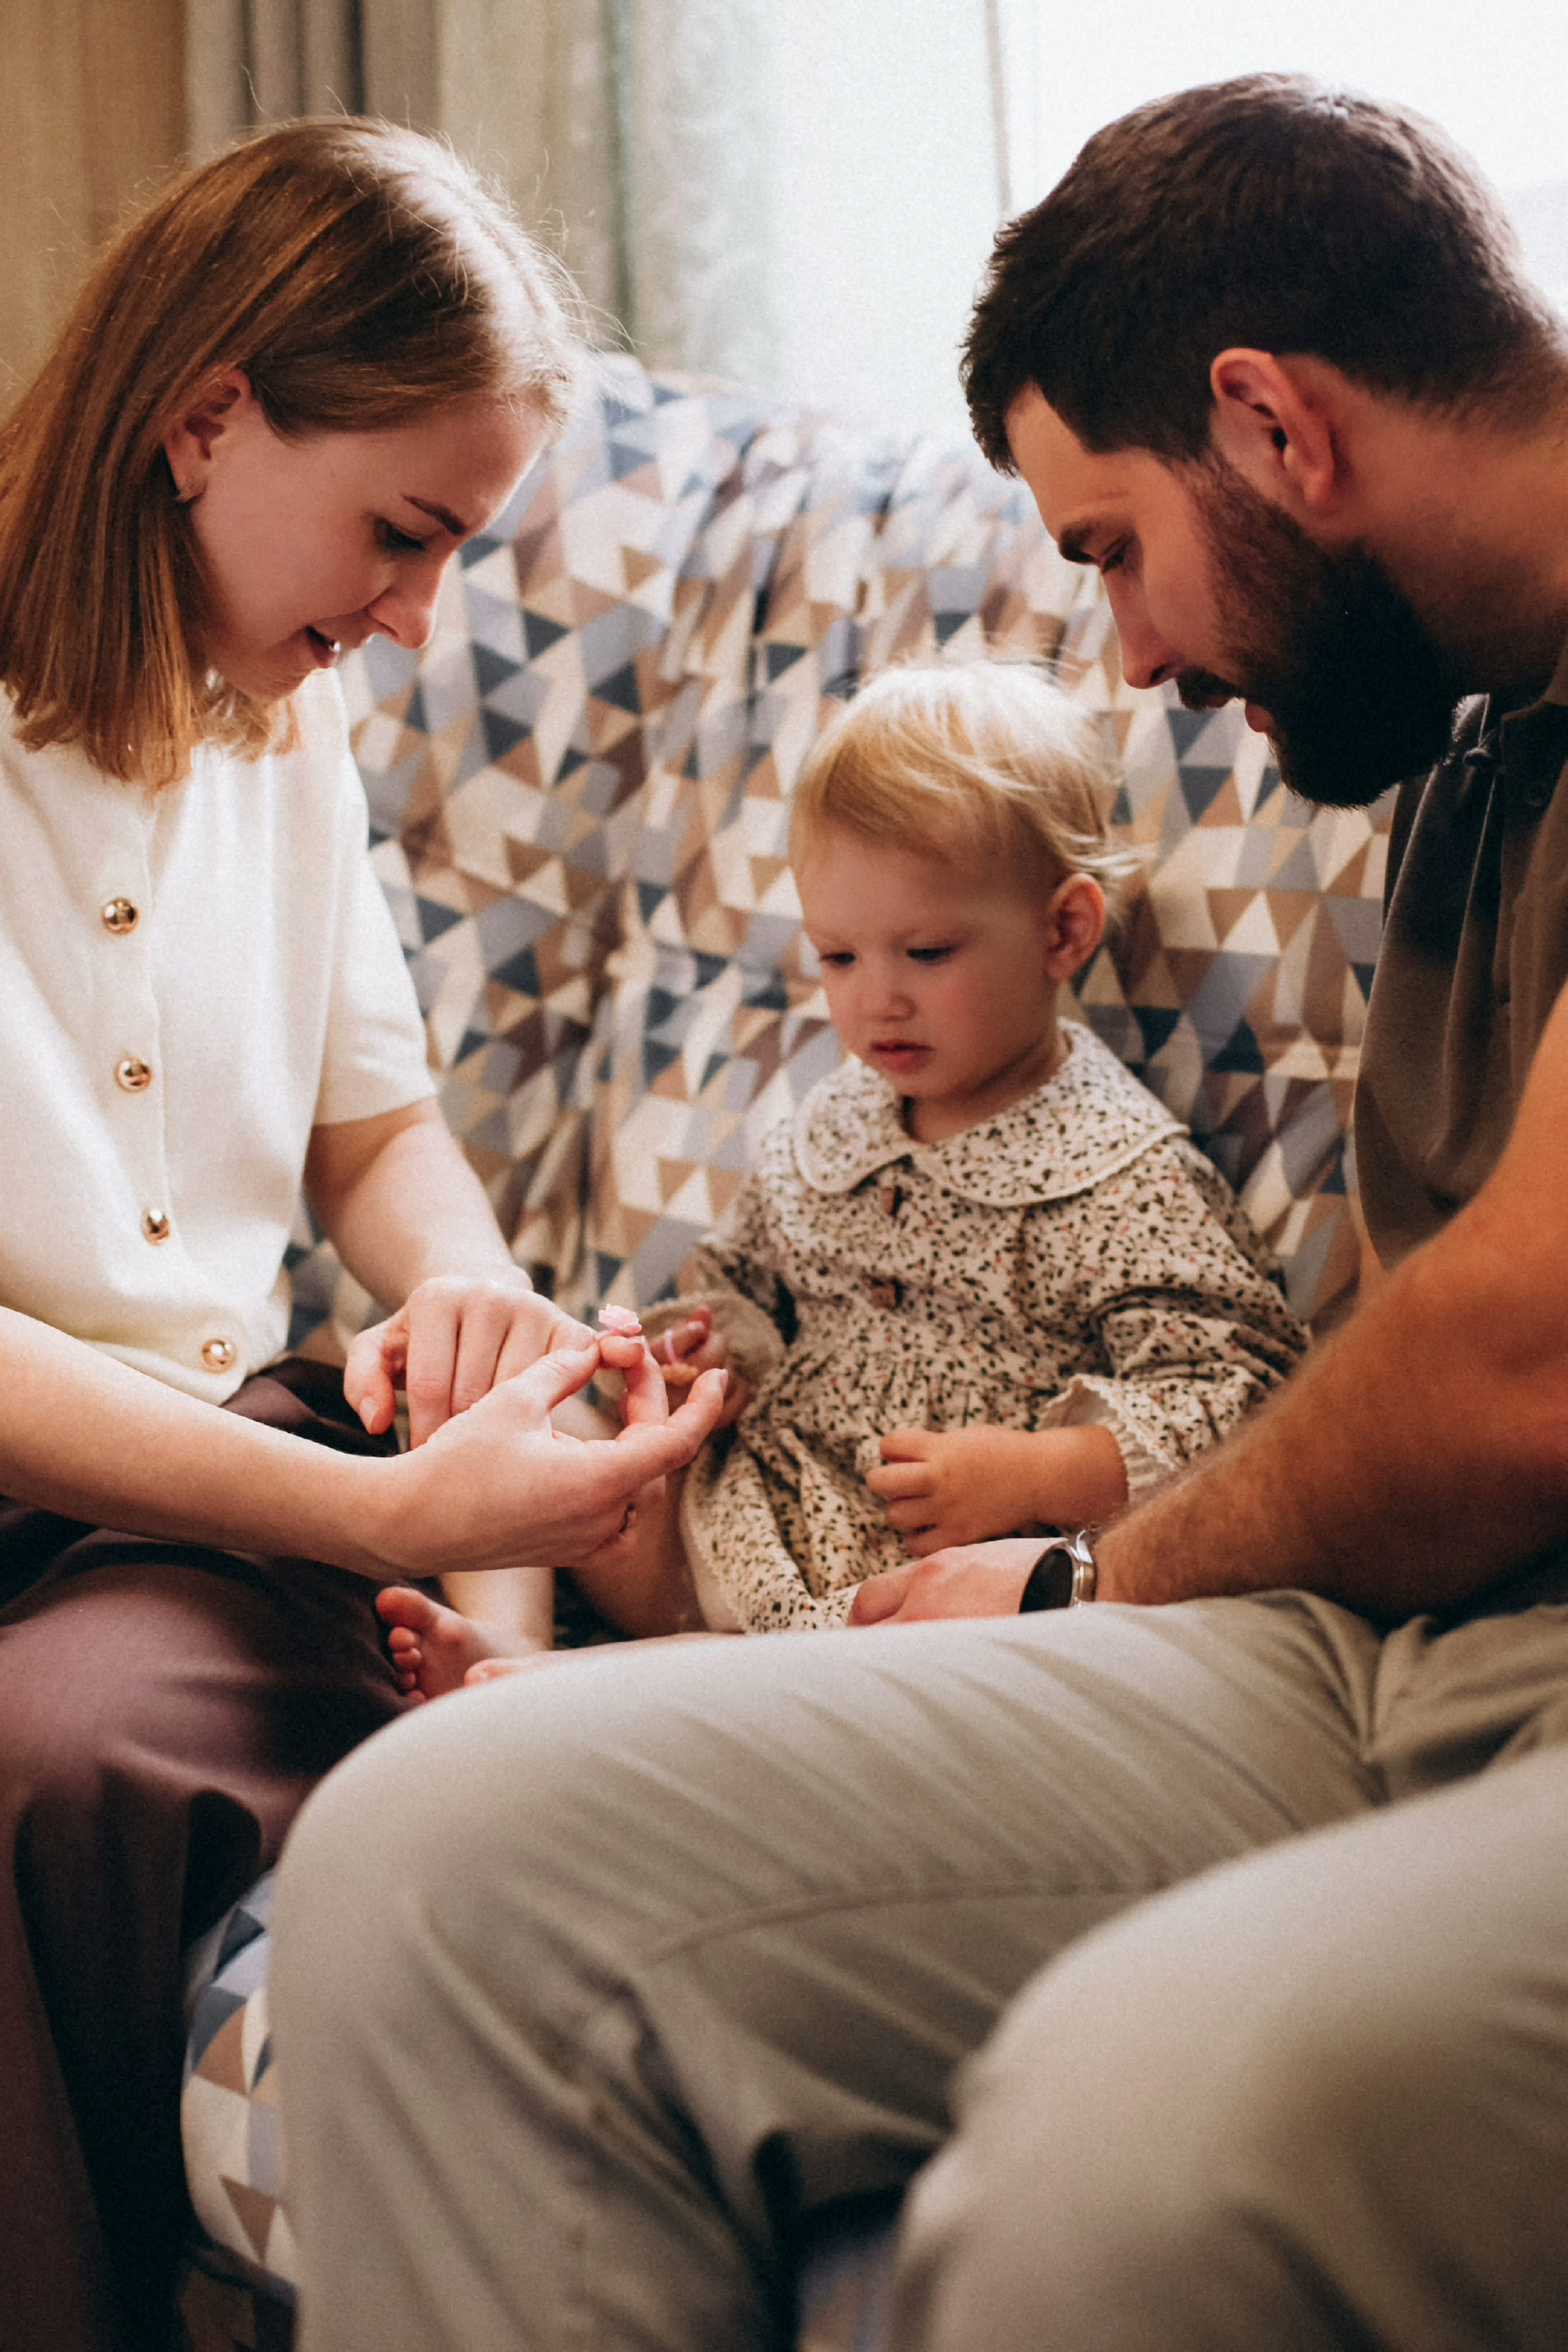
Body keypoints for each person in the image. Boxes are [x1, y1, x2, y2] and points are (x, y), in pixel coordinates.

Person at [271, 75, 1568, 2352]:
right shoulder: (1478, 742)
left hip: (1473, 1666)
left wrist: (1084, 1560)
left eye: (1105, 548)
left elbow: (1518, 1364)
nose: (1138, 657)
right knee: (426, 1853)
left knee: (1135, 2149)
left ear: (1275, 426)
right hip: (1381, 1647)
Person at [0, 119, 725, 2352]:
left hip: (248, 1474)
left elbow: (376, 1131)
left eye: (456, 552)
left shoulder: (283, 723)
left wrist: (471, 1297)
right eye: (402, 534)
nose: (415, 619)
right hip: (90, 1498)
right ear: (205, 414)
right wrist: (393, 1503)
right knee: (62, 1756)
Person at [380, 660, 1303, 1685]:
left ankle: (613, 1686)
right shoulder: (840, 1120)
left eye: (927, 952)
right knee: (509, 1383)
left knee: (910, 1635)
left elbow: (1244, 1394)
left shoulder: (1119, 1170)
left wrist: (1044, 1471)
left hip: (905, 1579)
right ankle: (520, 1634)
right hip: (725, 1514)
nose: (878, 1004)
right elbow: (746, 1278)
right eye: (839, 959)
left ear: (1062, 931)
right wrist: (710, 1345)